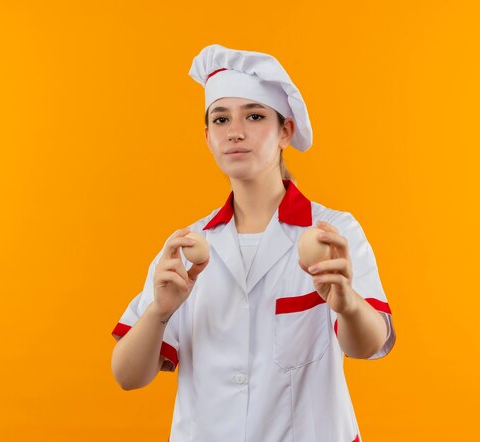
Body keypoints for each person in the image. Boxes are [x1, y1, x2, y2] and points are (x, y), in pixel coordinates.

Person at [110, 44, 396, 442]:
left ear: (285, 131)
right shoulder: (188, 246)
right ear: (208, 137)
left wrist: (347, 303)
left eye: (255, 115)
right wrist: (159, 311)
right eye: (221, 119)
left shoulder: (333, 231)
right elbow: (127, 376)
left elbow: (369, 345)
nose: (236, 131)